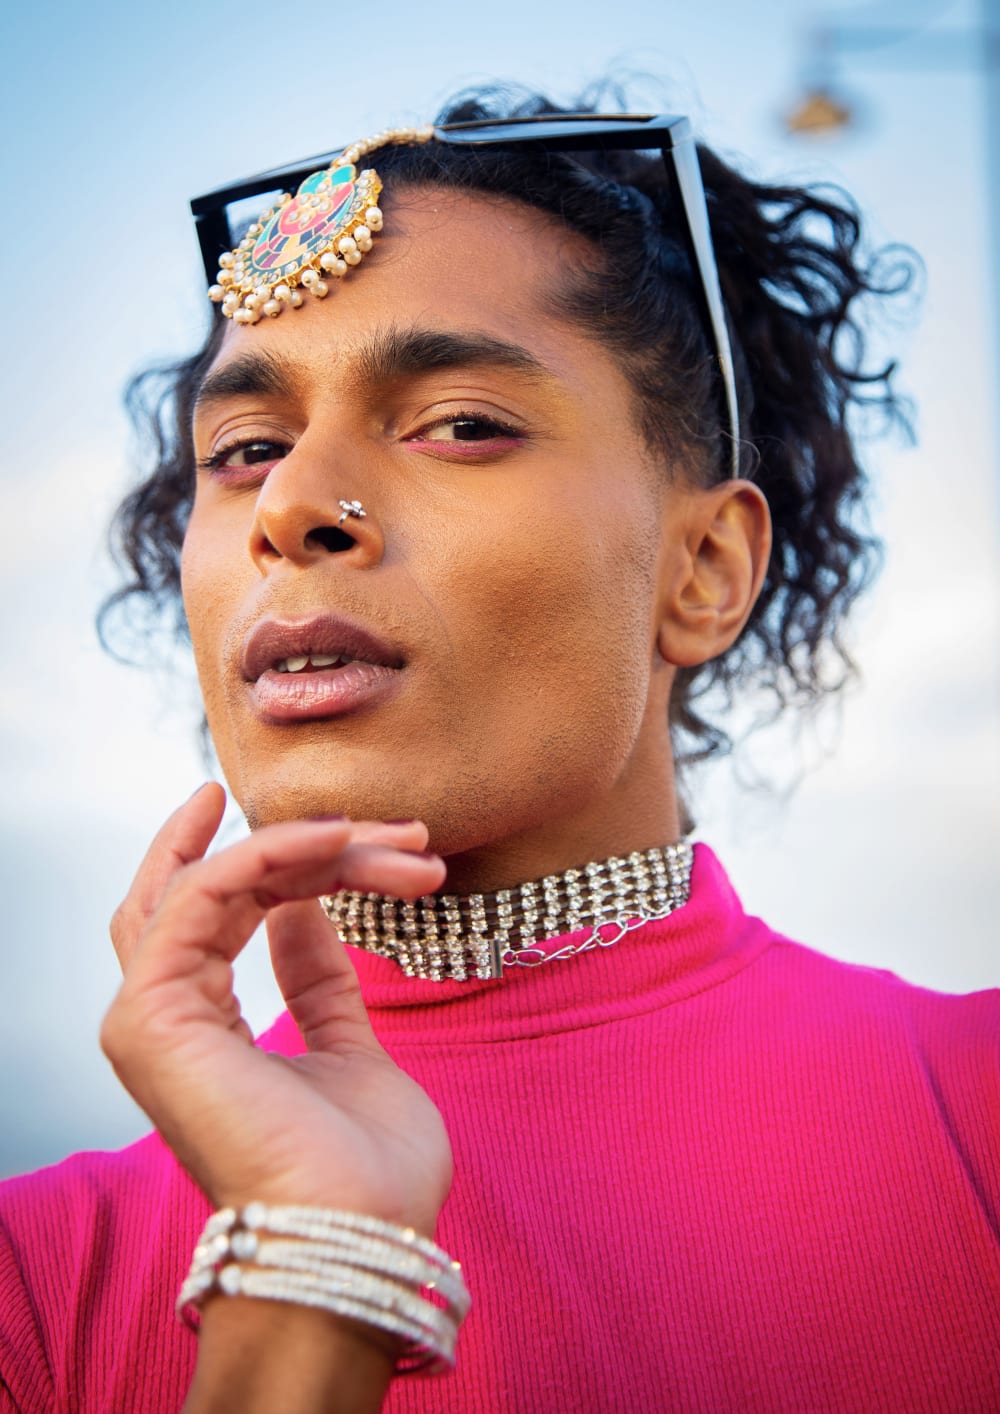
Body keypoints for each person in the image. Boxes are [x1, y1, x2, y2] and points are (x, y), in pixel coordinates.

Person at [1, 83, 997, 1414]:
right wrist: (304, 1281)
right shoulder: (33, 1284)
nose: (291, 506)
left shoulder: (973, 1120)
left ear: (703, 567)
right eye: (244, 449)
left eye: (461, 423)